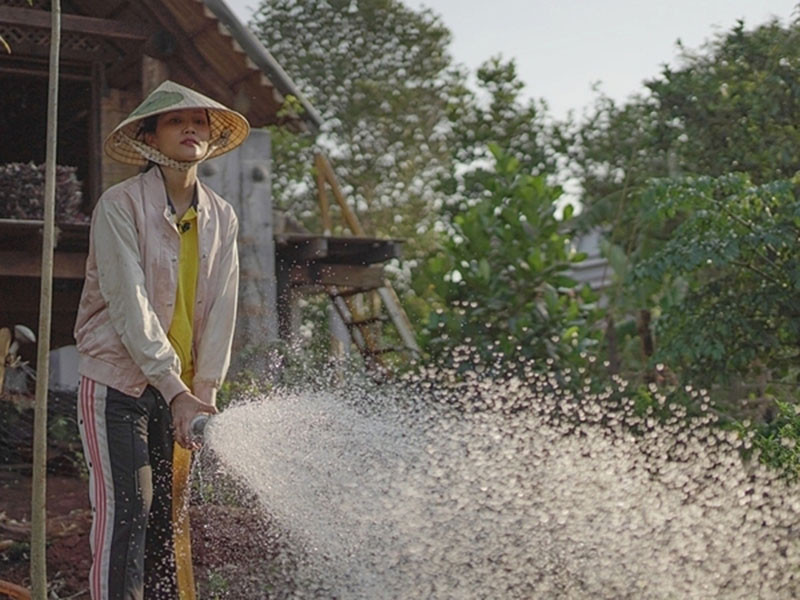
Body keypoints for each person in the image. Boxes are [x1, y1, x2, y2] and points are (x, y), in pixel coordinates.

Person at [73, 80, 249, 599]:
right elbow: (128, 303)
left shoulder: (222, 216)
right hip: (118, 383)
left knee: (166, 529)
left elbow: (222, 308)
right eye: (176, 120)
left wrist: (204, 393)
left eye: (199, 121)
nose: (191, 128)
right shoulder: (119, 205)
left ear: (210, 138)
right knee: (127, 513)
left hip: (182, 396)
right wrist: (176, 391)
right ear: (150, 137)